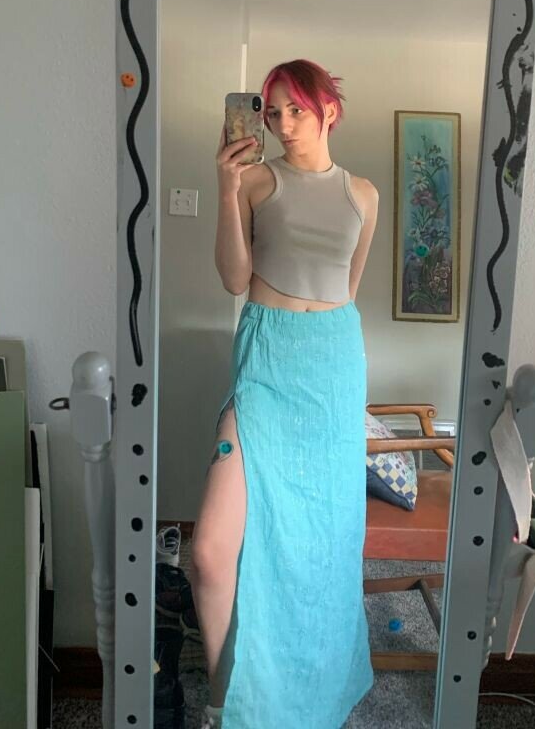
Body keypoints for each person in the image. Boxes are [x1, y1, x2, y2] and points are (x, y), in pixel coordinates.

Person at [188, 59, 380, 729]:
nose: (282, 123)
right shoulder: (254, 181)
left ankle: (313, 698)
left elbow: (347, 292)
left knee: (323, 549)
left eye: (296, 108)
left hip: (332, 370)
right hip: (268, 364)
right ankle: (230, 700)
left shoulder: (363, 195)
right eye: (272, 112)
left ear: (330, 110)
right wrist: (225, 186)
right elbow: (234, 279)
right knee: (210, 553)